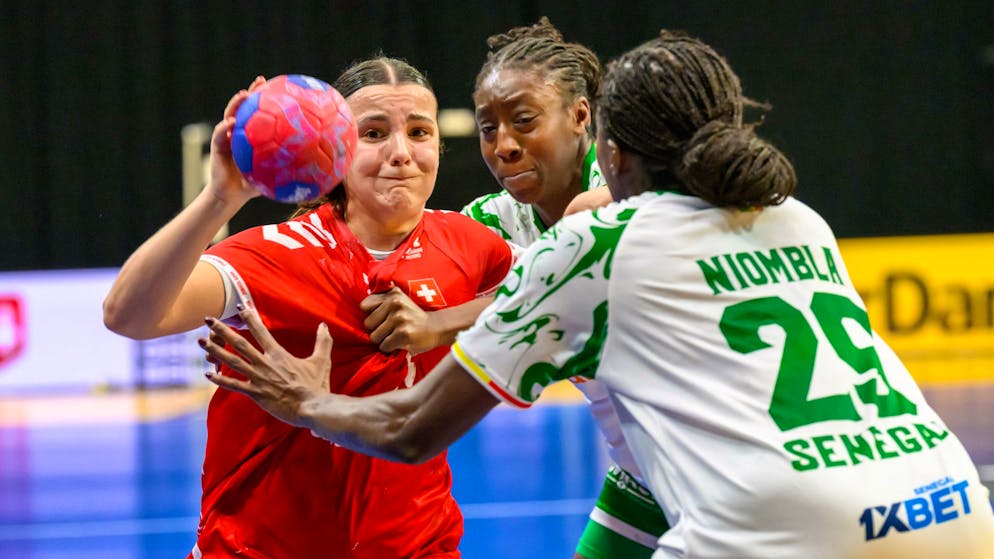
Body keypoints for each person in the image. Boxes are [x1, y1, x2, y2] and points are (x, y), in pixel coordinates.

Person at [200, 30, 994, 559]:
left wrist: (304, 398)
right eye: (485, 125)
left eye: (525, 120)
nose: (504, 142)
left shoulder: (597, 235)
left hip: (773, 516)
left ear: (600, 137)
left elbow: (413, 427)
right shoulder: (793, 213)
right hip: (951, 499)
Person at [103, 58, 514, 558]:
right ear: (336, 149)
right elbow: (128, 316)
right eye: (375, 133)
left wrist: (440, 323)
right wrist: (219, 198)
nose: (401, 153)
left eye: (419, 131)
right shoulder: (273, 253)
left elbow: (554, 295)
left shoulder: (472, 244)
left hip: (420, 547)